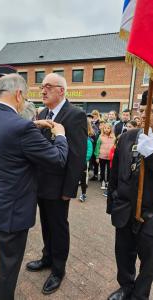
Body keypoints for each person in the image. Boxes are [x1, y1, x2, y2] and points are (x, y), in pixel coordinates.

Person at [0, 74, 68, 300]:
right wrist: (61, 136)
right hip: (11, 211)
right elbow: (57, 159)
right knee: (8, 264)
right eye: (24, 97)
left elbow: (6, 140)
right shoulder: (21, 128)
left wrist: (31, 124)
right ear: (18, 94)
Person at [26, 73, 87, 294]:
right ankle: (47, 257)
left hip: (59, 186)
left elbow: (78, 156)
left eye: (48, 87)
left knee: (59, 226)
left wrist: (69, 189)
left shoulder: (76, 115)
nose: (43, 91)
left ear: (61, 90)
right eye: (42, 87)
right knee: (45, 223)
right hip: (40, 183)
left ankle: (58, 270)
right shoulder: (42, 113)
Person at [107, 90, 153, 300]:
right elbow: (115, 173)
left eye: (150, 110)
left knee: (149, 262)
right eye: (142, 109)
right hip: (125, 209)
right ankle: (125, 286)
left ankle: (140, 295)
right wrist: (113, 202)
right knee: (123, 253)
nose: (144, 114)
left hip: (150, 216)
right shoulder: (127, 137)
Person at [95, 123, 115, 190]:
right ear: (103, 129)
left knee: (109, 170)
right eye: (105, 128)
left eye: (108, 128)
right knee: (102, 169)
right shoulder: (100, 137)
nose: (106, 130)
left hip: (110, 157)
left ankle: (108, 182)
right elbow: (97, 147)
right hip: (102, 156)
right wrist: (97, 156)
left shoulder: (114, 137)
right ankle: (103, 181)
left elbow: (115, 147)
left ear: (111, 129)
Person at [79, 118, 94, 202]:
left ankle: (83, 193)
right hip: (75, 161)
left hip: (83, 162)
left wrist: (84, 159)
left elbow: (89, 151)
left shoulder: (88, 139)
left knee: (83, 178)